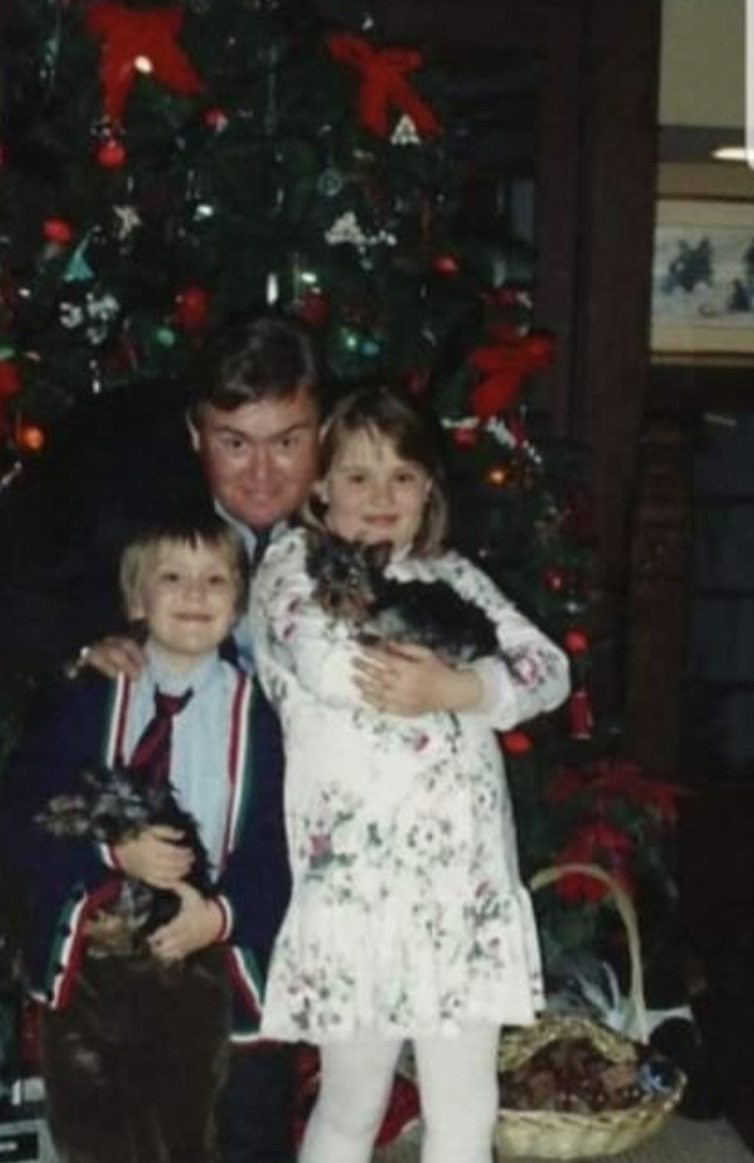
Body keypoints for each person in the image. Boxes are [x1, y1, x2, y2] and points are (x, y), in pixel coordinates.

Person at [248, 385, 571, 1163]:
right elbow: (334, 666)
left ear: (428, 486)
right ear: (320, 486)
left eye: (402, 476)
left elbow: (548, 670)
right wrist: (457, 669)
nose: (381, 496)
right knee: (352, 1103)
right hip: (359, 895)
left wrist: (460, 689)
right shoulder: (295, 565)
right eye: (357, 477)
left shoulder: (453, 576)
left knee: (466, 1110)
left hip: (464, 890)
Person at [0, 511, 293, 1163]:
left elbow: (278, 842)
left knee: (231, 1132)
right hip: (98, 968)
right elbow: (23, 814)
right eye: (173, 578)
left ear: (238, 603)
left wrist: (219, 917)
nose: (194, 594)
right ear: (137, 599)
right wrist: (111, 854)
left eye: (215, 580)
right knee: (103, 1133)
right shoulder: (88, 699)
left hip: (214, 965)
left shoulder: (261, 716)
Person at [0, 311, 324, 677]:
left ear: (322, 432)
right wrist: (80, 649)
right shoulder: (118, 491)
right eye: (235, 444)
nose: (262, 473)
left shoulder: (363, 498)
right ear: (196, 434)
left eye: (286, 443)